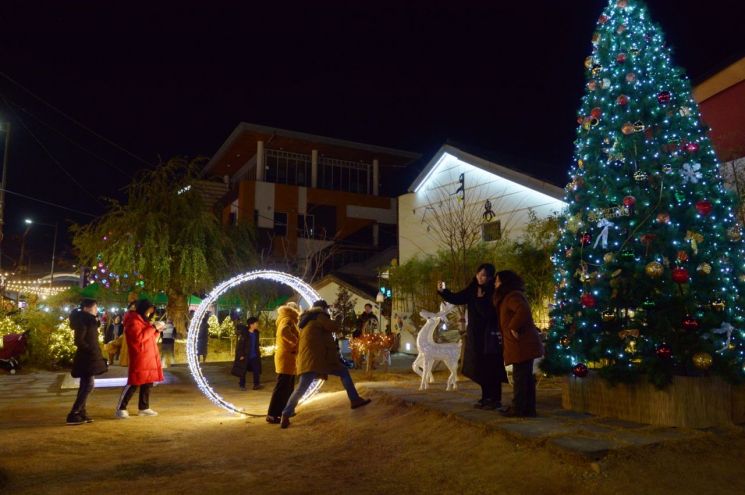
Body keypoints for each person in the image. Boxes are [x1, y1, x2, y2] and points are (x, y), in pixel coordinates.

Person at [280, 300, 371, 429]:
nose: (327, 311)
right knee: (343, 372)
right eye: (326, 309)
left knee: (302, 387)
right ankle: (355, 399)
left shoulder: (307, 320)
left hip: (310, 358)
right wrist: (337, 318)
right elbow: (334, 327)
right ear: (322, 308)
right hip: (319, 358)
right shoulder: (320, 316)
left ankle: (286, 414)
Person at [437, 263, 507, 410]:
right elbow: (458, 298)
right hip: (475, 333)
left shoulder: (494, 291)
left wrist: (480, 300)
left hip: (489, 335)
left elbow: (489, 314)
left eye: (484, 276)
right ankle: (485, 397)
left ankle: (495, 399)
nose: (481, 278)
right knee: (479, 366)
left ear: (490, 277)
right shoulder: (473, 288)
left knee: (491, 366)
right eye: (479, 274)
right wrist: (443, 291)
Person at [492, 270, 544, 418]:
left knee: (521, 377)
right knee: (526, 377)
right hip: (522, 343)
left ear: (504, 282)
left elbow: (523, 310)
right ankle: (528, 409)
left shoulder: (512, 296)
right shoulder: (511, 296)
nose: (495, 283)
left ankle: (519, 408)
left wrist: (514, 326)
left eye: (497, 281)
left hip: (521, 344)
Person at [116, 299, 164, 418]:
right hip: (140, 355)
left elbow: (150, 338)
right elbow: (139, 338)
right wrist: (153, 328)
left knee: (147, 382)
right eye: (148, 311)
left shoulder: (143, 320)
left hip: (149, 355)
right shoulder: (133, 321)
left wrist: (157, 330)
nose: (149, 314)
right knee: (134, 382)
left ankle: (144, 407)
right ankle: (121, 408)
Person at [67, 299, 108, 425]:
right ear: (86, 308)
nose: (96, 310)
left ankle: (81, 412)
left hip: (89, 356)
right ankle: (74, 412)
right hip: (87, 358)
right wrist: (90, 350)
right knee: (89, 385)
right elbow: (79, 340)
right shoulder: (83, 320)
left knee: (85, 385)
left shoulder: (89, 320)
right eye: (94, 307)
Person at [266, 302, 300, 424]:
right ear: (294, 310)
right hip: (286, 356)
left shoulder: (288, 319)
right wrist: (296, 341)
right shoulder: (288, 319)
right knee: (282, 387)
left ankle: (286, 410)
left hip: (289, 357)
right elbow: (284, 332)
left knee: (288, 386)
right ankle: (272, 414)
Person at [232, 314, 262, 390]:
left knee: (256, 370)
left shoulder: (256, 333)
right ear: (251, 325)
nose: (257, 324)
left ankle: (256, 384)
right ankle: (242, 385)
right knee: (243, 370)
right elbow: (240, 345)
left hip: (254, 355)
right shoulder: (245, 334)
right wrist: (241, 355)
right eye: (256, 323)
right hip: (246, 355)